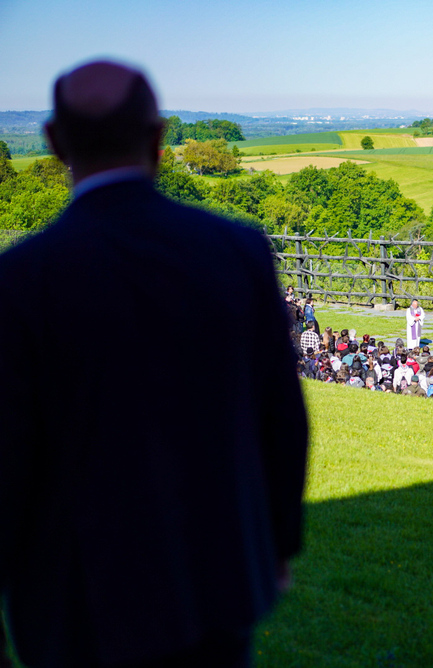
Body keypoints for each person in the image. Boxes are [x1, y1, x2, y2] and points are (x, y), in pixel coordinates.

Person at [0, 61, 308, 668]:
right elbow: (282, 419)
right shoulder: (238, 250)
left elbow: (9, 456)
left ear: (55, 141)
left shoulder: (19, 279)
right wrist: (275, 546)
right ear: (158, 137)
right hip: (216, 575)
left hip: (76, 597)